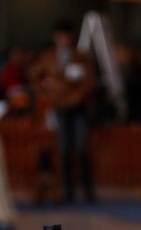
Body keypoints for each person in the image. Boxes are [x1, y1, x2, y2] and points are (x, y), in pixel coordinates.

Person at [32, 19, 96, 203]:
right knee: (64, 149)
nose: (64, 39)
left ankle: (88, 188)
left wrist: (77, 97)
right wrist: (46, 91)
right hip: (59, 106)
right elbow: (34, 74)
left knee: (81, 147)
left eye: (67, 36)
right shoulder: (49, 57)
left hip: (78, 108)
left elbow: (88, 81)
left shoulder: (81, 56)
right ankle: (68, 188)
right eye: (61, 36)